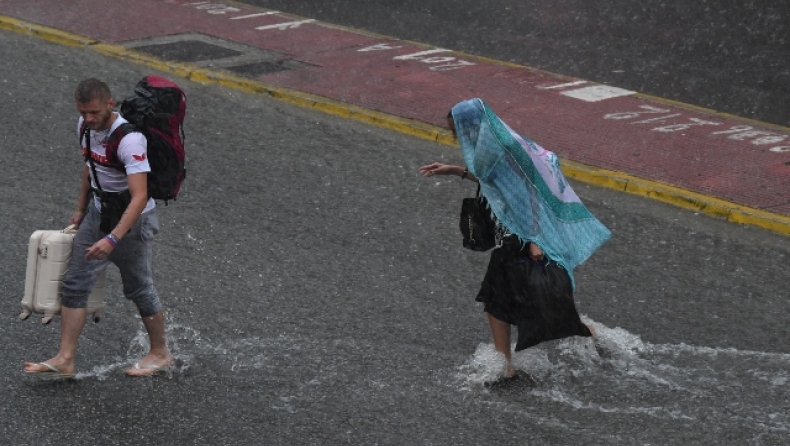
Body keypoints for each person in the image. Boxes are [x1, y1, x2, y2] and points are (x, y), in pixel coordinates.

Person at [420, 99, 610, 381]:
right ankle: (573, 335)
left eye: (456, 130)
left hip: (520, 235)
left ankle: (510, 362)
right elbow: (496, 182)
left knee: (500, 297)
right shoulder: (493, 146)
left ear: (472, 127)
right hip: (514, 232)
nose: (454, 136)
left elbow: (529, 192)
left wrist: (535, 239)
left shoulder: (502, 149)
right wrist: (454, 170)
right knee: (512, 297)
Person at [24, 78, 173, 378]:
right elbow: (90, 166)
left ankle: (160, 352)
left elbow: (140, 196)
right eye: (83, 112)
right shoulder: (84, 127)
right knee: (75, 283)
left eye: (94, 112)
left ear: (109, 104)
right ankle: (66, 358)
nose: (88, 119)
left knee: (138, 287)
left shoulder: (130, 139)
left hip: (132, 221)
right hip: (99, 212)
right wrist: (81, 209)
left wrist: (113, 238)